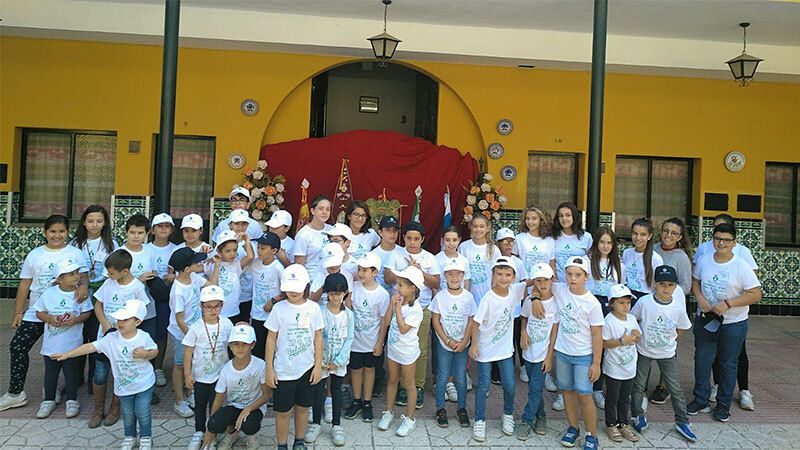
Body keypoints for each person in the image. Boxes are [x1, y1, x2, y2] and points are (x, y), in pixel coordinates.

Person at [1, 215, 89, 413]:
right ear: (45, 232)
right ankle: (16, 394)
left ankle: (53, 391)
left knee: (60, 354)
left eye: (61, 231)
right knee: (17, 346)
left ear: (67, 232)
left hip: (65, 313)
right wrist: (18, 311)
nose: (57, 235)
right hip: (37, 312)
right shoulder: (35, 254)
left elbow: (84, 276)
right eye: (52, 231)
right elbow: (25, 284)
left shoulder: (75, 253)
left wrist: (83, 285)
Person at [52, 299, 159, 450]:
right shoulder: (111, 338)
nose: (120, 322)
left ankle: (146, 437)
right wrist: (68, 354)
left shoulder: (143, 337)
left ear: (138, 321)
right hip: (123, 386)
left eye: (126, 319)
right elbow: (91, 346)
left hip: (144, 384)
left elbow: (155, 351)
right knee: (128, 413)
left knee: (142, 411)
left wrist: (146, 354)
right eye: (119, 319)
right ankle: (130, 436)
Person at [689, 223, 761, 423]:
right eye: (718, 239)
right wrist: (700, 298)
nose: (721, 243)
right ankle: (700, 399)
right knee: (702, 359)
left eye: (726, 240)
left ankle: (723, 405)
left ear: (734, 242)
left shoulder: (740, 265)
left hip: (733, 322)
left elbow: (756, 294)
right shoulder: (704, 260)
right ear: (712, 240)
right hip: (706, 320)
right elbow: (695, 281)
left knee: (728, 364)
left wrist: (729, 303)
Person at [630, 266, 697, 442]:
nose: (665, 288)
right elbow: (633, 319)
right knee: (638, 384)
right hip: (644, 351)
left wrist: (670, 341)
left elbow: (681, 328)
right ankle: (637, 414)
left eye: (670, 284)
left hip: (667, 353)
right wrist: (637, 335)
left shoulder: (677, 306)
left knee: (675, 388)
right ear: (654, 284)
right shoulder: (645, 302)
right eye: (661, 284)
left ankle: (682, 421)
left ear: (675, 286)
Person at [470, 257, 531, 442]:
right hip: (485, 349)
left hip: (505, 349)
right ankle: (480, 419)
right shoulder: (488, 298)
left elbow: (533, 281)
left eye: (507, 274)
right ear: (493, 275)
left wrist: (535, 297)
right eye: (499, 274)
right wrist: (473, 344)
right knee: (483, 385)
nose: (503, 278)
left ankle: (508, 414)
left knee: (510, 385)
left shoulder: (515, 290)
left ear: (513, 277)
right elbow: (475, 323)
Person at [265, 264, 324, 450]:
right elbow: (271, 339)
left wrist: (317, 366)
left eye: (297, 288)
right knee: (282, 412)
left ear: (306, 286)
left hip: (307, 369)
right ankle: (282, 444)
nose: (293, 292)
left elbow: (318, 337)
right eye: (289, 288)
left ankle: (299, 441)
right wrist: (269, 369)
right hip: (283, 370)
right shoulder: (278, 309)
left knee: (303, 408)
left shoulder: (313, 308)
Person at [549, 255, 603, 450]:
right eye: (570, 274)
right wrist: (537, 298)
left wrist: (596, 363)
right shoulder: (560, 289)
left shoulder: (592, 303)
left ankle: (592, 434)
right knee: (567, 392)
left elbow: (597, 336)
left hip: (583, 356)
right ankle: (573, 427)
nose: (573, 278)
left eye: (578, 275)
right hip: (563, 352)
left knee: (585, 395)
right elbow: (541, 285)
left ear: (586, 276)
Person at [384, 221, 441, 409]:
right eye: (409, 238)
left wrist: (419, 272)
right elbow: (387, 277)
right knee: (397, 345)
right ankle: (401, 386)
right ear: (404, 238)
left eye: (417, 239)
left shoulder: (430, 258)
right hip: (399, 306)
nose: (412, 242)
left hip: (421, 308)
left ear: (423, 239)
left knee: (420, 349)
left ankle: (417, 386)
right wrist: (405, 273)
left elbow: (435, 283)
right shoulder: (396, 254)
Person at [92, 249, 149, 428]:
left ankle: (115, 407)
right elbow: (98, 304)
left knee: (120, 372)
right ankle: (98, 408)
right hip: (106, 336)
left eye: (111, 272)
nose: (108, 275)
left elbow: (142, 313)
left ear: (124, 271)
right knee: (100, 373)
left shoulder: (137, 288)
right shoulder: (109, 283)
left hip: (124, 339)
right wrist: (105, 325)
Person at [34, 259, 93, 418]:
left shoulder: (80, 294)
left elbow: (87, 313)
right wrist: (50, 319)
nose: (76, 277)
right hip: (51, 344)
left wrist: (76, 319)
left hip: (72, 344)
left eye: (77, 273)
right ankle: (48, 400)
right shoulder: (50, 293)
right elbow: (39, 312)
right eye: (71, 274)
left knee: (71, 372)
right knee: (51, 373)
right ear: (60, 278)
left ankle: (72, 400)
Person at [71, 205, 118, 394]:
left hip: (101, 293)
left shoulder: (111, 243)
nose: (94, 225)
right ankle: (74, 378)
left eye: (99, 221)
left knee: (94, 334)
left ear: (105, 222)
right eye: (90, 221)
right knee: (78, 335)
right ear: (84, 222)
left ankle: (94, 381)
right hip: (79, 294)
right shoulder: (76, 243)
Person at [550, 204, 593, 412]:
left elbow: (592, 265)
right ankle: (562, 392)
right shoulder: (553, 238)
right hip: (560, 290)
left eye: (568, 215)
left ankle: (586, 389)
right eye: (561, 215)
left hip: (580, 291)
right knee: (562, 333)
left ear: (574, 217)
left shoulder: (585, 238)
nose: (565, 218)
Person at [167, 247, 218, 419]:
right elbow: (179, 319)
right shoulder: (178, 291)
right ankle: (179, 400)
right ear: (186, 268)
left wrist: (216, 266)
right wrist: (192, 338)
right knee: (180, 364)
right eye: (197, 262)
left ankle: (190, 392)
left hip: (195, 331)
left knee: (192, 363)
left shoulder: (194, 278)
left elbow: (213, 287)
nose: (200, 263)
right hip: (183, 334)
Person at [375, 266, 425, 437]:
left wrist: (397, 307)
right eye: (398, 284)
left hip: (408, 352)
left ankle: (410, 419)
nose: (398, 288)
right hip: (393, 349)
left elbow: (404, 329)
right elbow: (387, 321)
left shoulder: (416, 309)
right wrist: (391, 304)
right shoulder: (396, 301)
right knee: (392, 381)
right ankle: (388, 412)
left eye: (401, 285)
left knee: (409, 384)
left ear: (413, 288)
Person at [182, 285, 234, 450]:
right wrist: (187, 374)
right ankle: (199, 431)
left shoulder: (227, 324)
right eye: (208, 306)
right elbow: (188, 352)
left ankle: (213, 433)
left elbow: (232, 347)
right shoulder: (196, 327)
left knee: (215, 405)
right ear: (201, 307)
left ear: (222, 305)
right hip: (200, 376)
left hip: (220, 376)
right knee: (200, 404)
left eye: (217, 306)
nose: (213, 310)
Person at [306, 273, 354, 447]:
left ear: (345, 294)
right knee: (318, 391)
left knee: (336, 390)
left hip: (338, 362)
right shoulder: (319, 311)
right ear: (327, 293)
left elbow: (349, 339)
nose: (335, 297)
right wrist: (319, 360)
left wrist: (338, 361)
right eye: (332, 293)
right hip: (321, 361)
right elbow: (314, 336)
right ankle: (316, 424)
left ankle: (336, 425)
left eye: (339, 294)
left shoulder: (349, 315)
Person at [649, 217, 693, 405]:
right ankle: (640, 382)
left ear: (680, 237)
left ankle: (663, 386)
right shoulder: (653, 249)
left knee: (667, 345)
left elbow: (686, 285)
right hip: (651, 303)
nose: (668, 235)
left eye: (673, 233)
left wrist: (667, 292)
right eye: (666, 231)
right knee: (647, 341)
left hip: (669, 306)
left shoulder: (681, 257)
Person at [207, 323, 268, 450]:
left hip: (254, 408)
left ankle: (252, 435)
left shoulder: (260, 365)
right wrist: (210, 430)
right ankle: (233, 432)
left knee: (249, 425)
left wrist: (248, 409)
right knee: (214, 424)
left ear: (252, 344)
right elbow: (218, 400)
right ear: (230, 346)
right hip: (234, 406)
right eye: (236, 344)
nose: (240, 348)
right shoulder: (226, 369)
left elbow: (267, 394)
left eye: (245, 344)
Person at [344, 252, 389, 423]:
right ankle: (357, 400)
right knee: (355, 370)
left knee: (370, 370)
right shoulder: (354, 287)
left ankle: (367, 402)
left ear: (375, 272)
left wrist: (380, 342)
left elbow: (384, 320)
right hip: (355, 341)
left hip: (371, 342)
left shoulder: (382, 294)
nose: (361, 273)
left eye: (365, 270)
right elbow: (347, 309)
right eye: (359, 269)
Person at [430, 257, 475, 429]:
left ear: (463, 275)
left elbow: (471, 321)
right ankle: (440, 409)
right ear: (445, 276)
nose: (454, 278)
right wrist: (447, 340)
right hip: (444, 343)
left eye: (458, 274)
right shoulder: (440, 297)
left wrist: (464, 341)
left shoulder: (469, 297)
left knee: (461, 377)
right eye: (450, 274)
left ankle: (461, 408)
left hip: (463, 344)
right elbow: (436, 320)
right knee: (442, 376)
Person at [516, 263, 558, 440]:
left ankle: (526, 420)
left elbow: (555, 331)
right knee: (535, 388)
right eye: (538, 280)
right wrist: (523, 332)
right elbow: (524, 318)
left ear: (552, 280)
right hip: (529, 352)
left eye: (545, 280)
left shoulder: (556, 302)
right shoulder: (529, 301)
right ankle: (542, 416)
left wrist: (550, 357)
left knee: (534, 388)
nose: (542, 284)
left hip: (543, 355)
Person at [585, 226, 625, 409]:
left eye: (609, 242)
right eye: (602, 242)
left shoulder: (619, 265)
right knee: (591, 345)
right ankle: (589, 386)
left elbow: (620, 289)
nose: (606, 246)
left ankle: (603, 387)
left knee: (607, 345)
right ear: (596, 242)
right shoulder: (587, 261)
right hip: (592, 305)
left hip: (610, 307)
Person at [600, 284, 641, 443]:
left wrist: (637, 335)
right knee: (612, 397)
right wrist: (622, 341)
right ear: (611, 304)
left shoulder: (631, 319)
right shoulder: (609, 321)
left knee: (625, 397)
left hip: (629, 366)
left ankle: (624, 423)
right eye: (621, 303)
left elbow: (638, 337)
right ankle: (611, 423)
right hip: (614, 367)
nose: (625, 306)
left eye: (628, 303)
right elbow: (604, 343)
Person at [368, 215, 401, 399]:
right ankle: (378, 380)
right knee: (378, 343)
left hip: (398, 306)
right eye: (387, 230)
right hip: (378, 306)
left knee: (396, 345)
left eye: (395, 230)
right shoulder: (374, 254)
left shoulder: (402, 252)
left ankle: (396, 382)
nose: (391, 233)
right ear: (380, 232)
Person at [148, 213, 178, 389]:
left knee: (161, 332)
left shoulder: (175, 249)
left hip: (167, 297)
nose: (163, 229)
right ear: (152, 230)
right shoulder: (146, 249)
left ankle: (158, 367)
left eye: (167, 226)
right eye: (160, 226)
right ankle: (146, 365)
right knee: (147, 331)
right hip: (147, 296)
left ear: (172, 229)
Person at [495, 227, 528, 383]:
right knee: (499, 338)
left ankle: (522, 367)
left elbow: (523, 284)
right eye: (504, 242)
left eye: (511, 242)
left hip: (515, 310)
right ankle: (496, 372)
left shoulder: (518, 262)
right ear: (498, 243)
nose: (508, 245)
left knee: (517, 338)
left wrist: (524, 306)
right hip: (499, 309)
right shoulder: (494, 260)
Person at [121, 214, 160, 342]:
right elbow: (113, 281)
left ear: (147, 233)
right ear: (126, 232)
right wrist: (138, 279)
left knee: (147, 341)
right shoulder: (119, 253)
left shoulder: (150, 251)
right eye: (132, 232)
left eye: (140, 233)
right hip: (124, 305)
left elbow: (153, 271)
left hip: (147, 305)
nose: (136, 236)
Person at [203, 229, 254, 323]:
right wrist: (213, 262)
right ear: (219, 250)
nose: (232, 254)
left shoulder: (236, 264)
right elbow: (211, 284)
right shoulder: (211, 264)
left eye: (235, 250)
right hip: (217, 312)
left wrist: (247, 239)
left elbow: (250, 257)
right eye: (228, 251)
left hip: (234, 311)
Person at [248, 231, 284, 360]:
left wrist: (273, 301)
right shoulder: (255, 263)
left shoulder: (278, 268)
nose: (259, 250)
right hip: (256, 314)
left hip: (272, 316)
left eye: (263, 248)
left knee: (270, 350)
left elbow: (286, 291)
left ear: (274, 250)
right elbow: (249, 256)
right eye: (258, 247)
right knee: (256, 350)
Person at [228, 209, 259, 330]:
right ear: (230, 225)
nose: (241, 227)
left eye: (244, 224)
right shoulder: (223, 241)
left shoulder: (253, 244)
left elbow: (252, 257)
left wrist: (246, 240)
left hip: (246, 294)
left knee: (242, 327)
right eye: (237, 223)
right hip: (229, 295)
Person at [458, 214, 499, 305]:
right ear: (471, 227)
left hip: (487, 295)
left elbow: (497, 273)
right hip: (467, 294)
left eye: (482, 226)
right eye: (475, 226)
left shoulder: (494, 249)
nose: (478, 230)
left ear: (487, 228)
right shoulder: (464, 247)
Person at [622, 218, 663, 302]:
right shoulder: (626, 253)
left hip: (645, 298)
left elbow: (658, 284)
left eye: (643, 234)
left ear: (649, 236)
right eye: (635, 233)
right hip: (627, 296)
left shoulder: (656, 259)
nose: (638, 238)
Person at [293, 195, 333, 279]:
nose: (325, 212)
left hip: (330, 279)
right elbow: (299, 266)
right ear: (313, 211)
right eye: (321, 209)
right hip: (312, 280)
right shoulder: (303, 235)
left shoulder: (332, 230)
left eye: (327, 209)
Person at [514, 205, 556, 276]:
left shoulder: (550, 241)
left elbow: (552, 266)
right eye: (527, 218)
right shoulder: (519, 238)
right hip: (524, 282)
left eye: (534, 218)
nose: (530, 222)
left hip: (543, 282)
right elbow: (514, 261)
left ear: (542, 220)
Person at [434, 226, 471, 292]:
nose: (451, 244)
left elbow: (466, 282)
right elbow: (434, 284)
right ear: (442, 240)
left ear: (459, 240)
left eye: (454, 240)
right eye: (447, 240)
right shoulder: (436, 259)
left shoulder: (464, 260)